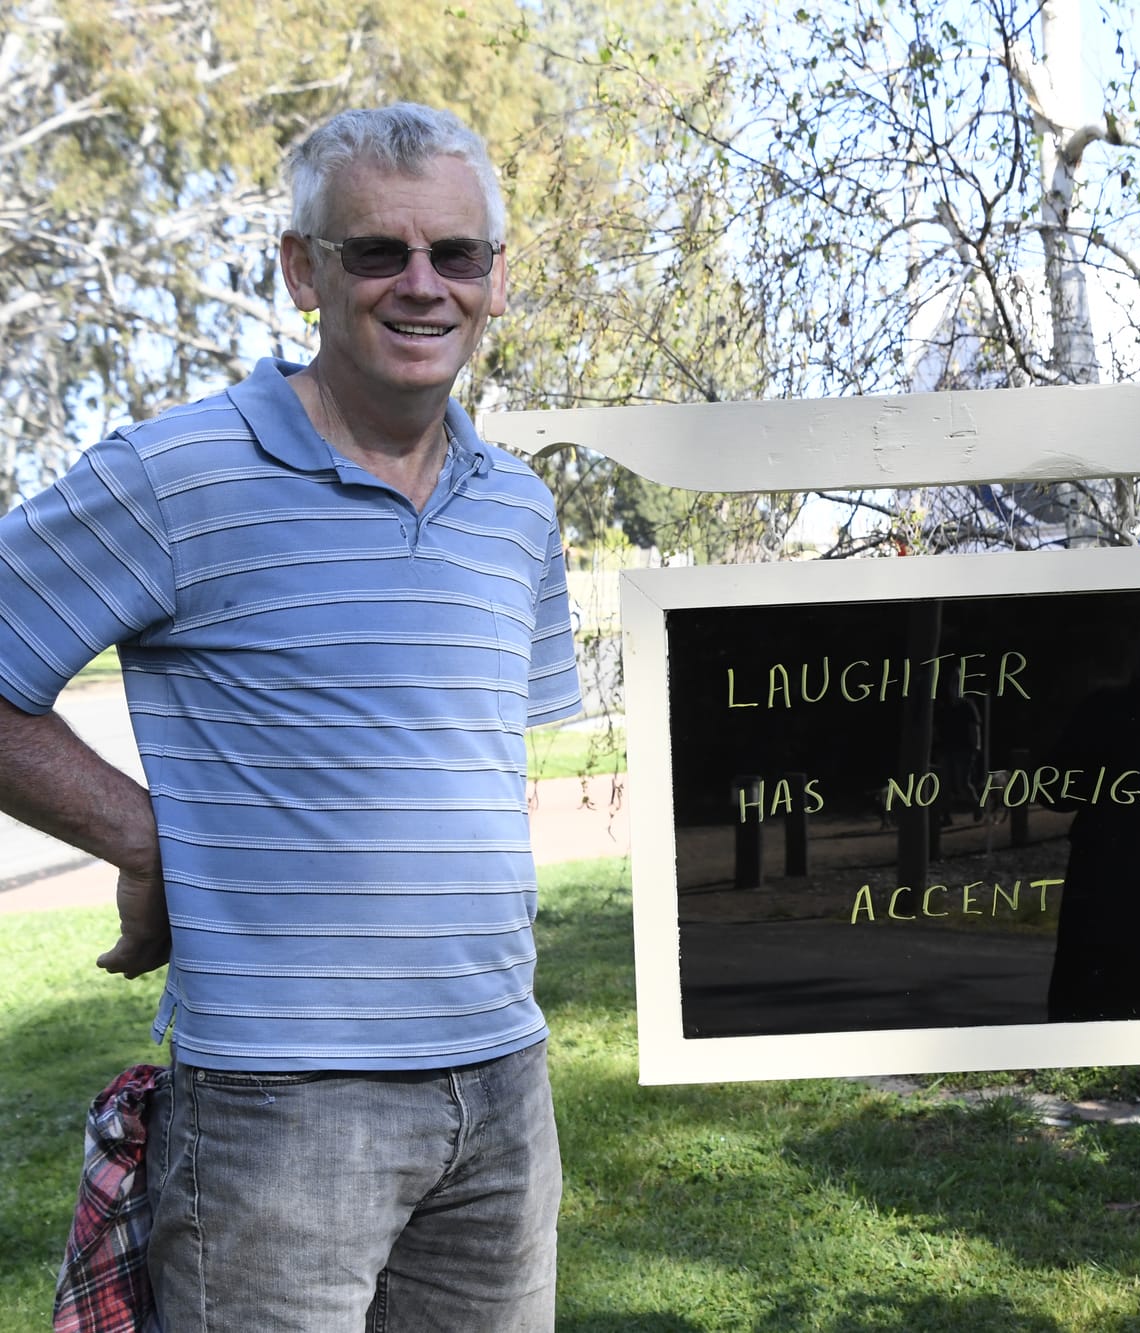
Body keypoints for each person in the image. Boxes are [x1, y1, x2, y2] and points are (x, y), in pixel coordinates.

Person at [0, 103, 581, 1329]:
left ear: (497, 279)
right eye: (379, 252)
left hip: (503, 1088)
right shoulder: (176, 475)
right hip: (281, 1109)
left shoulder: (518, 509)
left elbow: (472, 770)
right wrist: (151, 841)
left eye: (456, 255)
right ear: (301, 269)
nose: (423, 286)